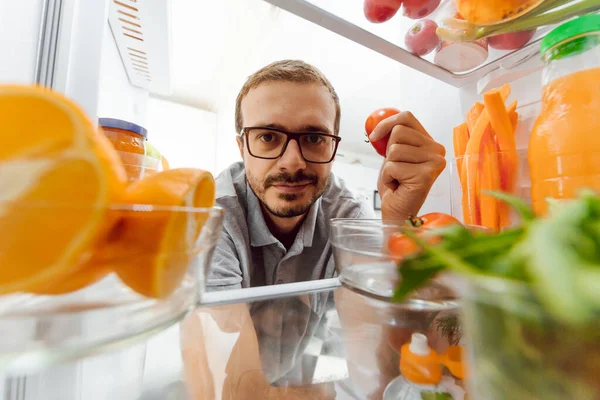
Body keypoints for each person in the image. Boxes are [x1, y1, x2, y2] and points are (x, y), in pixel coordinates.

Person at [206, 60, 446, 291]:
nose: (292, 163)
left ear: (333, 149)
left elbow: (364, 328)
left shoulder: (348, 215)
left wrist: (396, 219)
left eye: (313, 139)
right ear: (242, 148)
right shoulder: (210, 214)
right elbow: (225, 331)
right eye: (268, 137)